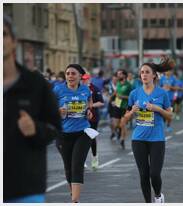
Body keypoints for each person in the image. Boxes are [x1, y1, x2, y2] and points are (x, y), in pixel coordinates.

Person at [3, 15, 61, 203]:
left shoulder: (35, 84)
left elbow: (54, 128)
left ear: (13, 41)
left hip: (25, 189)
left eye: (3, 34)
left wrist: (35, 129)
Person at [120, 56, 174, 203]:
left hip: (157, 139)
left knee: (154, 174)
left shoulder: (162, 93)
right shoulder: (134, 94)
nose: (144, 74)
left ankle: (158, 195)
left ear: (154, 75)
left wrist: (158, 109)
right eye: (142, 72)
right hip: (138, 139)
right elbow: (124, 119)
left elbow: (170, 115)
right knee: (144, 174)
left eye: (147, 72)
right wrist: (131, 113)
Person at [53, 64, 93, 203]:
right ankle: (73, 195)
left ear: (80, 76)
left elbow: (89, 101)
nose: (70, 76)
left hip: (83, 132)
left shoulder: (85, 89)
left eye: (73, 73)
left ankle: (75, 201)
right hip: (63, 134)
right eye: (68, 73)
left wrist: (89, 111)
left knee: (77, 165)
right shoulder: (58, 89)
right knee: (68, 167)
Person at [81, 73, 104, 170]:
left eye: (86, 79)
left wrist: (91, 106)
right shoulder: (78, 89)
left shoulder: (94, 88)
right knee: (81, 139)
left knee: (91, 138)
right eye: (82, 79)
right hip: (81, 118)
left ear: (89, 79)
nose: (84, 81)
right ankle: (81, 161)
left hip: (93, 117)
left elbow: (101, 102)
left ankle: (94, 158)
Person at [113, 69, 133, 149]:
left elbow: (132, 97)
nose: (118, 75)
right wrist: (113, 99)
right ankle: (119, 132)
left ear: (124, 75)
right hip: (117, 105)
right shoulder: (118, 83)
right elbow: (116, 93)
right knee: (116, 124)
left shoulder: (128, 85)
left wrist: (123, 97)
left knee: (123, 124)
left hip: (125, 107)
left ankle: (122, 139)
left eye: (120, 74)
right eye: (117, 74)